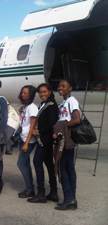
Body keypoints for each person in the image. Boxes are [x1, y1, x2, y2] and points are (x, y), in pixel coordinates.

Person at [28, 83, 59, 203]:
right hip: (45, 139)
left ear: (50, 92)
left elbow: (52, 124)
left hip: (45, 140)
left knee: (37, 162)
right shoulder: (43, 104)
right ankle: (53, 192)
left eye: (44, 92)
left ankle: (41, 193)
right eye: (40, 92)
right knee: (49, 165)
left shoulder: (51, 106)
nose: (42, 94)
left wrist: (38, 131)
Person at [55, 79, 80, 210]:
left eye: (63, 86)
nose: (60, 88)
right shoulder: (63, 103)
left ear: (69, 88)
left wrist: (62, 127)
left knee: (64, 169)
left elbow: (77, 119)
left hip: (67, 140)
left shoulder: (72, 101)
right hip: (63, 139)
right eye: (59, 86)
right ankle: (71, 199)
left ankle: (69, 199)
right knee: (68, 168)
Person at [17, 85, 38, 199]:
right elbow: (24, 124)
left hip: (28, 141)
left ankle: (30, 189)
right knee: (25, 164)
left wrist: (26, 142)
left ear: (31, 95)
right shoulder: (25, 107)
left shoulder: (32, 108)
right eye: (22, 92)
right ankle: (30, 188)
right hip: (23, 138)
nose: (23, 94)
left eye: (25, 93)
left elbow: (32, 126)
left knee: (21, 163)